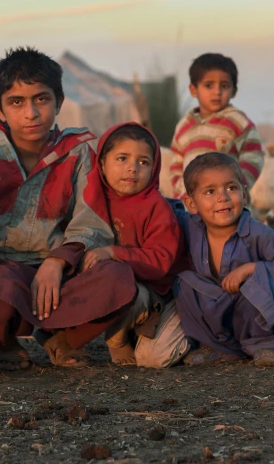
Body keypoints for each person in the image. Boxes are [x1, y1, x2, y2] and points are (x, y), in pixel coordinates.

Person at [0, 47, 136, 370]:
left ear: (59, 103)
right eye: (17, 102)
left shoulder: (78, 152)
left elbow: (91, 220)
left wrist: (59, 260)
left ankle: (63, 339)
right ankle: (4, 343)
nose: (31, 113)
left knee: (119, 278)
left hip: (59, 270)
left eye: (41, 99)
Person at [173, 152, 274, 366]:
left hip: (258, 319)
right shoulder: (190, 228)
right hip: (221, 312)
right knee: (185, 282)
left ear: (245, 194)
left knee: (257, 281)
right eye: (210, 191)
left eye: (231, 188)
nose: (223, 197)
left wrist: (251, 269)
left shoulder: (258, 233)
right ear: (191, 203)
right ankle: (218, 348)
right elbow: (165, 209)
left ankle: (267, 346)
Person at [84, 122, 189, 367]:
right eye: (122, 158)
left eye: (143, 162)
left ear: (154, 168)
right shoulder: (91, 199)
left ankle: (118, 339)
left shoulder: (156, 207)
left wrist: (112, 252)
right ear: (101, 163)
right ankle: (58, 337)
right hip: (111, 285)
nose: (132, 169)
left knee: (153, 355)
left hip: (152, 293)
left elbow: (161, 261)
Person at [169, 53, 264, 199]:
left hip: (228, 202)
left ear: (234, 90)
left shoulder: (237, 121)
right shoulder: (184, 126)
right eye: (209, 85)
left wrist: (240, 186)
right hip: (193, 205)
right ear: (194, 90)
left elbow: (253, 156)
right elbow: (176, 163)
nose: (217, 92)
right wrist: (182, 193)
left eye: (224, 86)